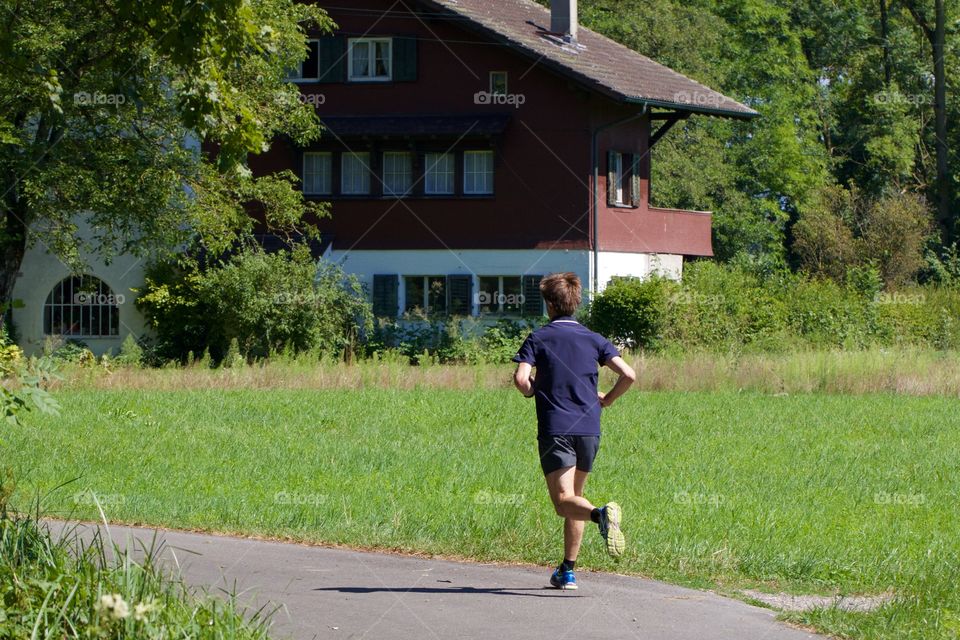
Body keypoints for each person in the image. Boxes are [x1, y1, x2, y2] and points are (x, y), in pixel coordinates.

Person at [513, 272, 636, 591]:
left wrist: (530, 392)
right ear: (575, 303)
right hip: (589, 428)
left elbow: (521, 378)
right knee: (574, 498)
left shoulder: (538, 338)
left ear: (551, 305)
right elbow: (629, 375)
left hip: (556, 428)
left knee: (563, 502)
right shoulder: (594, 339)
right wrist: (607, 399)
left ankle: (601, 516)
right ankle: (567, 570)